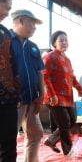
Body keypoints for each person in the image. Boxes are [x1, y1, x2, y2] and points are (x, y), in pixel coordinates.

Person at [42, 30, 82, 156]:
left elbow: (72, 78)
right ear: (54, 43)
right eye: (61, 40)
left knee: (72, 120)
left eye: (66, 40)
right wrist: (51, 94)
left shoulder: (67, 60)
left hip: (67, 97)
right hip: (54, 97)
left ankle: (51, 140)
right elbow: (44, 75)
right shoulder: (49, 56)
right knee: (64, 123)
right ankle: (68, 151)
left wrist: (81, 89)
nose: (64, 42)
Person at [10, 9, 44, 162]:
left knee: (36, 133)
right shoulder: (5, 40)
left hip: (32, 100)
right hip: (14, 101)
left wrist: (41, 95)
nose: (35, 28)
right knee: (8, 138)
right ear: (21, 21)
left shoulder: (34, 46)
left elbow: (39, 72)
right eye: (32, 23)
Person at [0, 0, 21, 162]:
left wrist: (17, 92)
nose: (8, 13)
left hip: (8, 99)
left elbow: (13, 64)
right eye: (6, 7)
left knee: (8, 145)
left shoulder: (5, 33)